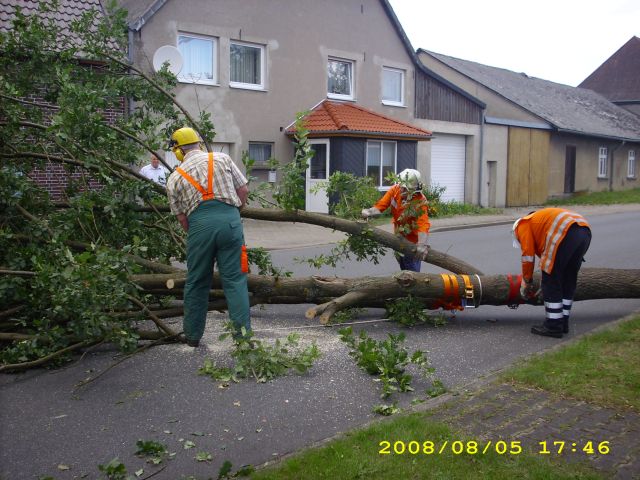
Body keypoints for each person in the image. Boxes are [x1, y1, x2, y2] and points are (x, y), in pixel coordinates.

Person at [165, 127, 250, 347]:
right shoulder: (222, 158)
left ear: (178, 151)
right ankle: (242, 338)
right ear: (198, 143)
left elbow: (182, 219)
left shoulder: (174, 178)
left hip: (199, 227)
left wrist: (199, 232)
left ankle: (192, 336)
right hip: (230, 223)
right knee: (235, 281)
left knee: (196, 281)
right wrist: (233, 214)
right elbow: (243, 190)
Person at [512, 207, 591, 338]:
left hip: (565, 230)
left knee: (551, 279)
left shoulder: (523, 224)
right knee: (568, 278)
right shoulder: (540, 221)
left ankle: (553, 326)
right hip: (583, 230)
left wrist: (526, 281)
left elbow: (528, 256)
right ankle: (562, 322)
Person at [361, 168, 430, 272]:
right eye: (401, 187)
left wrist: (421, 245)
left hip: (412, 244)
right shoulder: (395, 190)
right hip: (398, 237)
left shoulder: (420, 201)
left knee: (413, 275)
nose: (401, 190)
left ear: (413, 189)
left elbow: (423, 225)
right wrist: (369, 212)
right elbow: (381, 206)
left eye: (405, 189)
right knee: (403, 269)